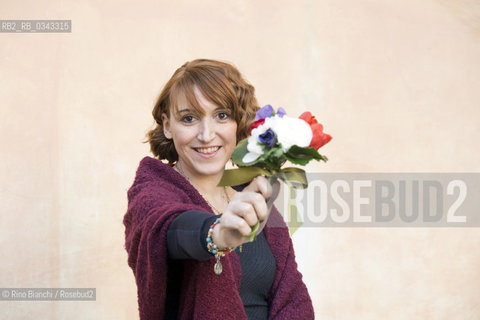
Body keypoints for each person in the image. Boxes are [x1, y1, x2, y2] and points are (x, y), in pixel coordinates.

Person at [123, 59, 314, 319]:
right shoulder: (152, 192)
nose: (206, 134)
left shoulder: (252, 196)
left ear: (239, 122)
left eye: (221, 116)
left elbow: (291, 298)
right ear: (168, 126)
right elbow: (169, 226)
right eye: (189, 118)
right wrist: (217, 234)